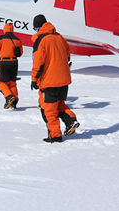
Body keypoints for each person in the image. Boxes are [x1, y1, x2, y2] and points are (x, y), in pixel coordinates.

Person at [31, 14, 79, 143]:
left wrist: (34, 79)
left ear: (38, 27)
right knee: (59, 105)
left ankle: (55, 136)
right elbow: (68, 55)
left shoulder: (41, 40)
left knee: (49, 110)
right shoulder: (60, 37)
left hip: (49, 81)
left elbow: (38, 62)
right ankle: (70, 120)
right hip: (64, 80)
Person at [0, 22, 23, 109]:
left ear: (4, 29)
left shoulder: (0, 38)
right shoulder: (17, 39)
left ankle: (9, 97)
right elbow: (20, 53)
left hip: (4, 63)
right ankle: (14, 101)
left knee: (1, 83)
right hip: (14, 63)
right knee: (12, 83)